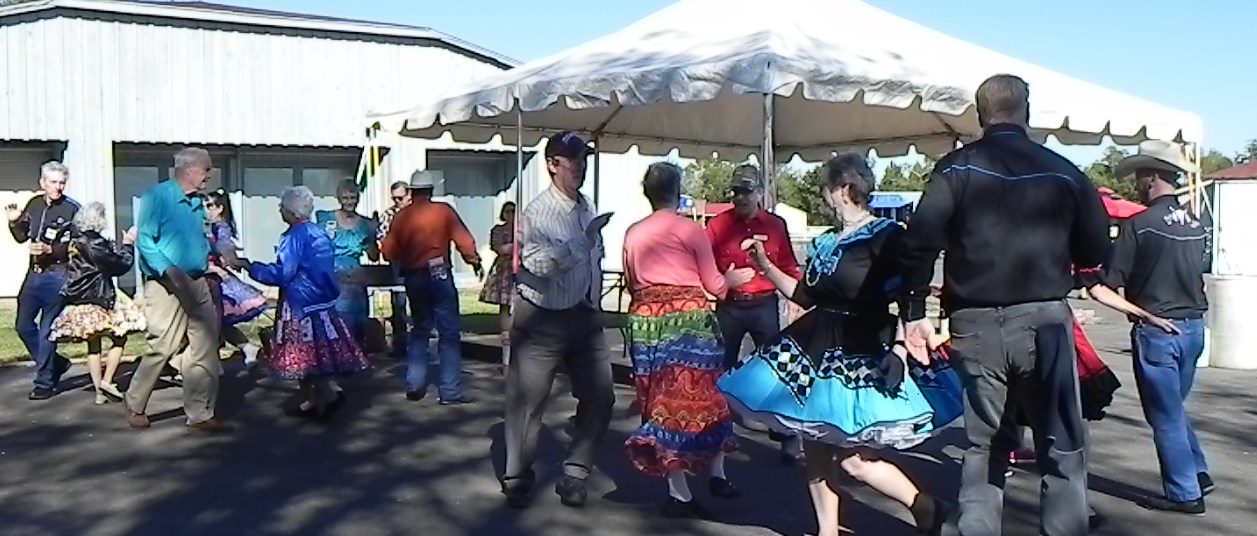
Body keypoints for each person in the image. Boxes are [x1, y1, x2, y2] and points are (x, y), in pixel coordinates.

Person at [896, 75, 1111, 535]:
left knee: (984, 447)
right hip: (1044, 321)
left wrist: (913, 313)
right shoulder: (1064, 170)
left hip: (974, 322)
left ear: (979, 114)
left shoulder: (955, 169)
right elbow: (1096, 249)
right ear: (1026, 110)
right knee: (1063, 447)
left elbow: (919, 244)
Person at [718, 154, 948, 536]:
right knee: (816, 445)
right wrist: (764, 264)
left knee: (855, 459)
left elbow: (908, 296)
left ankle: (924, 506)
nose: (823, 195)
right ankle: (828, 530)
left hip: (863, 349)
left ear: (844, 189)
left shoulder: (886, 237)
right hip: (814, 347)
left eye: (826, 187)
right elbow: (806, 295)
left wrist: (900, 350)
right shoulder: (825, 242)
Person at [1080, 140, 1215, 514]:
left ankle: (1185, 493)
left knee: (1164, 414)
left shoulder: (1139, 225)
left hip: (1158, 330)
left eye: (1141, 177)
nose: (1138, 184)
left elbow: (1102, 287)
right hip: (1194, 327)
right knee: (1173, 408)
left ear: (1152, 178)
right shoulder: (1198, 223)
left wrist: (1141, 313)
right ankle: (1197, 470)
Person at [622, 163, 754, 518]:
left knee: (659, 401)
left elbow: (632, 280)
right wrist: (734, 279)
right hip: (688, 319)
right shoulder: (689, 230)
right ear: (677, 191)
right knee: (708, 397)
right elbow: (714, 285)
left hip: (647, 321)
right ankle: (716, 474)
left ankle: (678, 487)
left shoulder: (633, 233)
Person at [501, 131, 615, 510]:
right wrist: (582, 242)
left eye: (584, 158)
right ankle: (517, 475)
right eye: (573, 159)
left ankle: (576, 472)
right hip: (542, 317)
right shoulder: (535, 213)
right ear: (552, 163)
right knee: (528, 400)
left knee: (601, 394)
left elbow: (594, 258)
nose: (580, 166)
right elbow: (539, 265)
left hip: (582, 314)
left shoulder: (587, 206)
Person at [125, 147, 231, 433]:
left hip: (197, 280)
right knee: (163, 344)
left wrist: (217, 254)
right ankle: (135, 403)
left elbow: (194, 238)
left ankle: (200, 413)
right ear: (189, 170)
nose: (210, 175)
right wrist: (169, 269)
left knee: (206, 344)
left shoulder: (197, 202)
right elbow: (145, 240)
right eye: (206, 170)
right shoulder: (157, 197)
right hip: (165, 283)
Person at [704, 163, 804, 464]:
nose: (740, 198)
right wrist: (719, 285)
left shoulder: (775, 225)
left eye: (746, 192)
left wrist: (795, 297)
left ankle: (787, 436)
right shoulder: (717, 225)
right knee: (719, 369)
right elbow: (704, 266)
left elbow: (788, 264)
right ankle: (716, 434)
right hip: (730, 305)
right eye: (736, 192)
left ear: (759, 193)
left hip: (764, 303)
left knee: (777, 371)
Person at [243, 185, 370, 421]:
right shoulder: (318, 232)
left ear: (291, 211)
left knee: (305, 356)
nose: (279, 210)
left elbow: (284, 273)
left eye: (282, 206)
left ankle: (328, 395)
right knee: (318, 353)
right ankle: (312, 399)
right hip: (322, 302)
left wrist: (251, 267)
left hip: (300, 303)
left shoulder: (293, 237)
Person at [381, 169, 482, 404]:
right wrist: (474, 260)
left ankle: (414, 383)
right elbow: (464, 241)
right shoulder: (443, 211)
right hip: (439, 274)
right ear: (432, 190)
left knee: (419, 329)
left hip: (414, 277)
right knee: (448, 333)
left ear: (412, 191)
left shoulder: (401, 217)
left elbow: (389, 251)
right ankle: (449, 390)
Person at [48, 202, 144, 405]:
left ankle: (100, 391)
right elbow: (120, 265)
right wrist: (128, 244)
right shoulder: (94, 242)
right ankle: (107, 381)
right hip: (98, 295)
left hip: (78, 297)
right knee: (120, 336)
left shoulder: (75, 241)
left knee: (93, 344)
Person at [5, 161, 79, 400]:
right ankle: (55, 363)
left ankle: (44, 383)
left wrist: (52, 250)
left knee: (48, 329)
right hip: (34, 274)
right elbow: (21, 237)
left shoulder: (72, 209)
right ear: (43, 183)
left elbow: (78, 246)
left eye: (61, 183)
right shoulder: (35, 204)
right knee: (23, 326)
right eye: (53, 182)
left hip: (58, 274)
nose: (57, 187)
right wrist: (14, 221)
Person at [204, 189, 268, 366]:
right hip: (211, 274)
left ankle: (217, 360)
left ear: (220, 208)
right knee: (215, 322)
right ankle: (246, 348)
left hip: (218, 278)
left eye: (210, 206)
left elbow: (225, 247)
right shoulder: (210, 227)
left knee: (213, 321)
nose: (206, 210)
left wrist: (228, 258)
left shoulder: (220, 227)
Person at [314, 179, 379, 343]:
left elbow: (373, 256)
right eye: (345, 198)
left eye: (353, 197)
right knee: (334, 322)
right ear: (339, 198)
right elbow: (317, 248)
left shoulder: (364, 224)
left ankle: (356, 360)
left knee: (357, 325)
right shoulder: (327, 219)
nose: (349, 202)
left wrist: (372, 235)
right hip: (333, 275)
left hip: (355, 278)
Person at [479, 201, 517, 368]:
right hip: (504, 268)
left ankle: (517, 333)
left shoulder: (522, 229)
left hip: (520, 268)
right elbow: (500, 248)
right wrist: (516, 245)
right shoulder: (498, 230)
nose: (511, 215)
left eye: (514, 211)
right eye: (508, 211)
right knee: (504, 303)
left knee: (519, 303)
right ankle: (505, 333)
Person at [376, 180, 412, 357]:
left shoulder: (417, 213)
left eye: (401, 198)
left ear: (409, 195)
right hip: (398, 262)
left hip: (419, 261)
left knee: (423, 302)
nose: (397, 201)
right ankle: (401, 343)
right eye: (394, 198)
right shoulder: (388, 215)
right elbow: (382, 238)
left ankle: (421, 342)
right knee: (399, 302)